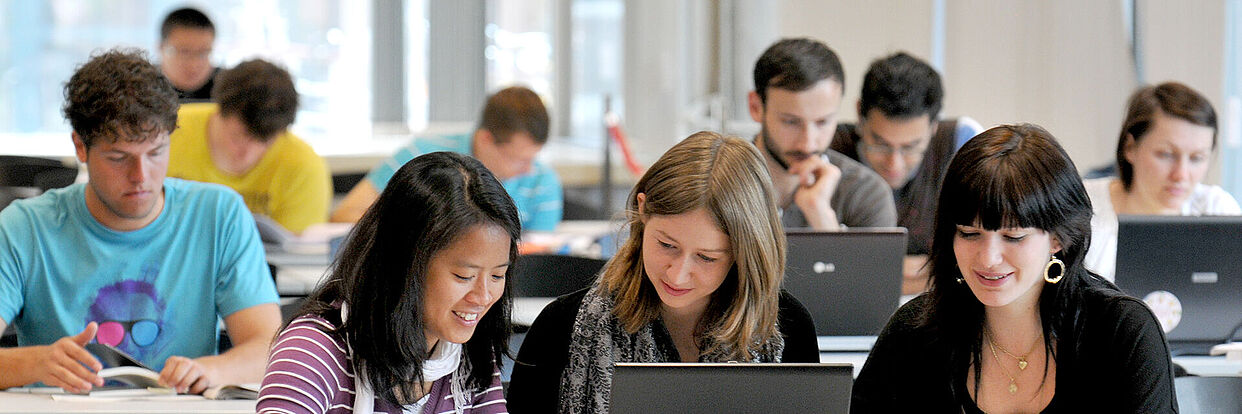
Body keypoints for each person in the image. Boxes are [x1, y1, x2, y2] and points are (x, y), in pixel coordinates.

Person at [0, 49, 280, 394]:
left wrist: (212, 369)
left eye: (156, 152)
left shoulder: (219, 215)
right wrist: (35, 362)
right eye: (119, 158)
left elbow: (268, 349)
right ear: (80, 147)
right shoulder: (24, 227)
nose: (141, 176)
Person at [851, 124, 1177, 412]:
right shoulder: (916, 332)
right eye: (969, 233)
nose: (988, 258)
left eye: (1013, 237)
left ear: (1059, 238)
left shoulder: (1121, 332)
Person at [506, 131, 820, 413]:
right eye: (667, 245)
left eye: (707, 258)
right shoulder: (560, 327)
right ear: (642, 211)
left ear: (743, 254)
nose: (678, 274)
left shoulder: (790, 326)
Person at [258, 151, 512, 413]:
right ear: (404, 263)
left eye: (497, 276)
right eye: (464, 276)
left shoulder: (468, 353)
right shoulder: (314, 350)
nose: (483, 296)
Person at [828, 52, 983, 295]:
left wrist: (871, 272)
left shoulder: (959, 142)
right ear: (860, 115)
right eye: (880, 144)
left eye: (911, 148)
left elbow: (982, 261)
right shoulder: (827, 148)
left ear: (933, 127)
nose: (894, 163)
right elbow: (826, 274)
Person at [331, 86, 563, 231]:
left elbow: (537, 255)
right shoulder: (422, 157)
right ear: (485, 139)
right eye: (517, 159)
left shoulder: (543, 180)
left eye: (534, 157)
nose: (529, 169)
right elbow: (344, 215)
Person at [1083, 82, 1240, 282]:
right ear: (1130, 147)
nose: (1181, 175)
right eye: (1166, 155)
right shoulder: (1082, 208)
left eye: (1197, 158)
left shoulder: (1217, 211)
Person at [747, 38, 896, 230]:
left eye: (822, 122)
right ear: (756, 107)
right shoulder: (717, 184)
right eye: (791, 122)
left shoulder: (866, 194)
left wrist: (821, 215)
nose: (808, 144)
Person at [168, 58, 331, 234]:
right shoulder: (168, 132)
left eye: (264, 142)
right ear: (219, 111)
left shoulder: (304, 166)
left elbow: (296, 252)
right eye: (238, 137)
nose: (248, 153)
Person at [159, 7, 219, 102]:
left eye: (203, 53)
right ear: (161, 48)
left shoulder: (230, 87)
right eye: (184, 52)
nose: (194, 64)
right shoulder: (141, 86)